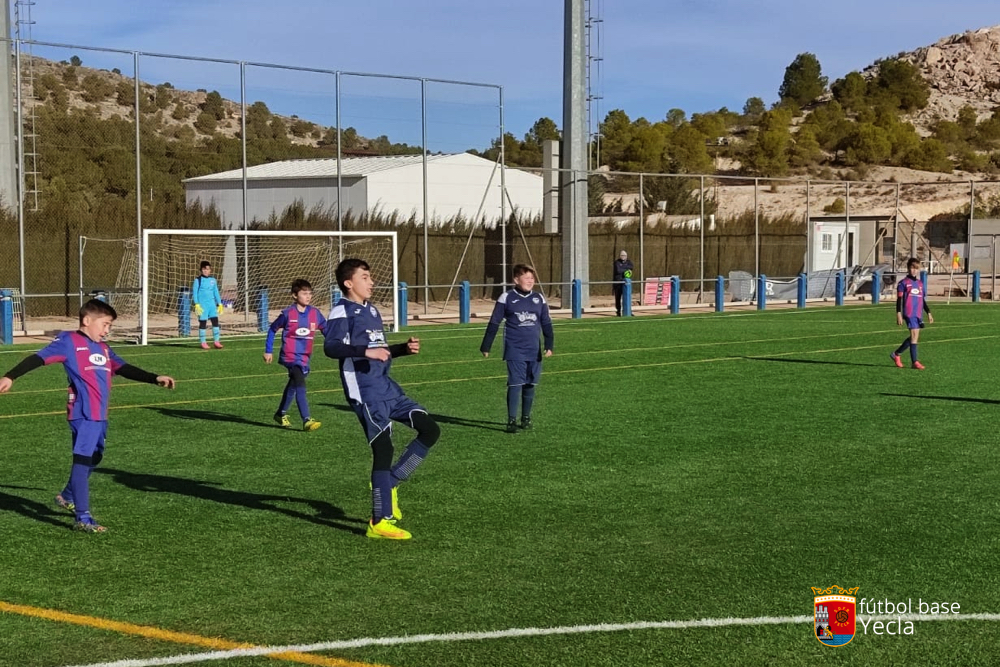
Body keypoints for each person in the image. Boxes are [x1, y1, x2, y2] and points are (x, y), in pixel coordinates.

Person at [0, 299, 175, 533]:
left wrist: (154, 378)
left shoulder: (103, 348)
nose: (107, 330)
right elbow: (37, 358)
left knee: (96, 456)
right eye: (105, 324)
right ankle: (83, 517)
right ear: (87, 321)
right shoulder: (68, 341)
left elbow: (123, 367)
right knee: (82, 461)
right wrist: (11, 376)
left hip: (100, 415)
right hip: (83, 413)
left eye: (109, 326)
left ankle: (66, 495)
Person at [323, 258, 440, 540]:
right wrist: (364, 352)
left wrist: (402, 349)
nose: (372, 282)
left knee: (430, 429)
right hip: (365, 392)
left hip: (387, 388)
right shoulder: (342, 310)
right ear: (349, 283)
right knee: (384, 450)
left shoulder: (372, 310)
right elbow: (331, 346)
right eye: (365, 277)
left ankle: (392, 483)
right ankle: (379, 520)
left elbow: (380, 349)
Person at [480, 264, 554, 434]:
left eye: (532, 278)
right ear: (516, 279)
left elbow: (546, 323)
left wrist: (549, 344)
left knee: (530, 384)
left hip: (534, 350)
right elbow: (494, 322)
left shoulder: (539, 298)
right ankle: (511, 420)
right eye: (526, 277)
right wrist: (486, 345)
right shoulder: (506, 298)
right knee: (515, 383)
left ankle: (526, 418)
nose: (530, 281)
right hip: (515, 349)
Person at [264, 279, 326, 431]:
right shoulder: (288, 314)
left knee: (293, 385)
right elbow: (272, 329)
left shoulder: (315, 313)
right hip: (290, 357)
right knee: (300, 384)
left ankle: (280, 413)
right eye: (304, 293)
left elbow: (327, 330)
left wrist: (337, 343)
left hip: (304, 357)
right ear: (294, 295)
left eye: (310, 293)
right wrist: (268, 350)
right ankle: (306, 419)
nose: (308, 296)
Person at [891, 257, 934, 370]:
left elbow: (922, 300)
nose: (914, 270)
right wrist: (898, 313)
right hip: (909, 313)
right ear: (908, 268)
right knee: (914, 336)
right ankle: (914, 362)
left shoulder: (920, 284)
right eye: (912, 268)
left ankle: (896, 354)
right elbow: (899, 300)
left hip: (918, 313)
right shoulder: (903, 283)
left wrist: (928, 312)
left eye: (916, 268)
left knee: (914, 337)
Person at [192, 260, 224, 350]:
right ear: (201, 270)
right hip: (202, 306)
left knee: (215, 322)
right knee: (203, 323)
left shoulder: (213, 280)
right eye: (204, 269)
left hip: (212, 305)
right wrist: (197, 304)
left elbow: (216, 292)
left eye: (208, 269)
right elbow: (194, 293)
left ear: (210, 270)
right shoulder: (197, 280)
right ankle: (203, 342)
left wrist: (220, 303)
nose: (206, 271)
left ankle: (217, 341)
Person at [613, 250, 635, 317]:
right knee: (618, 297)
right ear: (620, 256)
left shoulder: (629, 262)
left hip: (625, 283)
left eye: (624, 255)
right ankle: (618, 311)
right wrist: (626, 269)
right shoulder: (616, 262)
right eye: (622, 255)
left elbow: (631, 267)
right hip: (618, 283)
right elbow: (618, 270)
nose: (623, 257)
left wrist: (624, 268)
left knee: (627, 297)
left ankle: (629, 311)